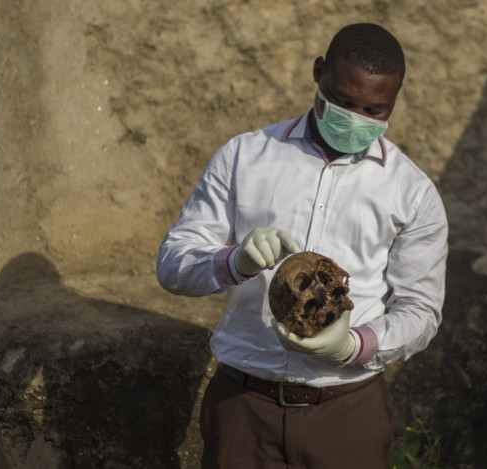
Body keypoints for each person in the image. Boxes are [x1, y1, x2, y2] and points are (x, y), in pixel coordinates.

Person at [156, 23, 448, 469]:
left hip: (348, 413)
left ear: (394, 101)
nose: (357, 118)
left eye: (375, 109)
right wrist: (233, 261)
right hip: (243, 408)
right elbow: (173, 263)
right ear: (319, 72)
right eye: (346, 101)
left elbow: (421, 310)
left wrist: (353, 346)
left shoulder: (412, 193)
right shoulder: (245, 157)